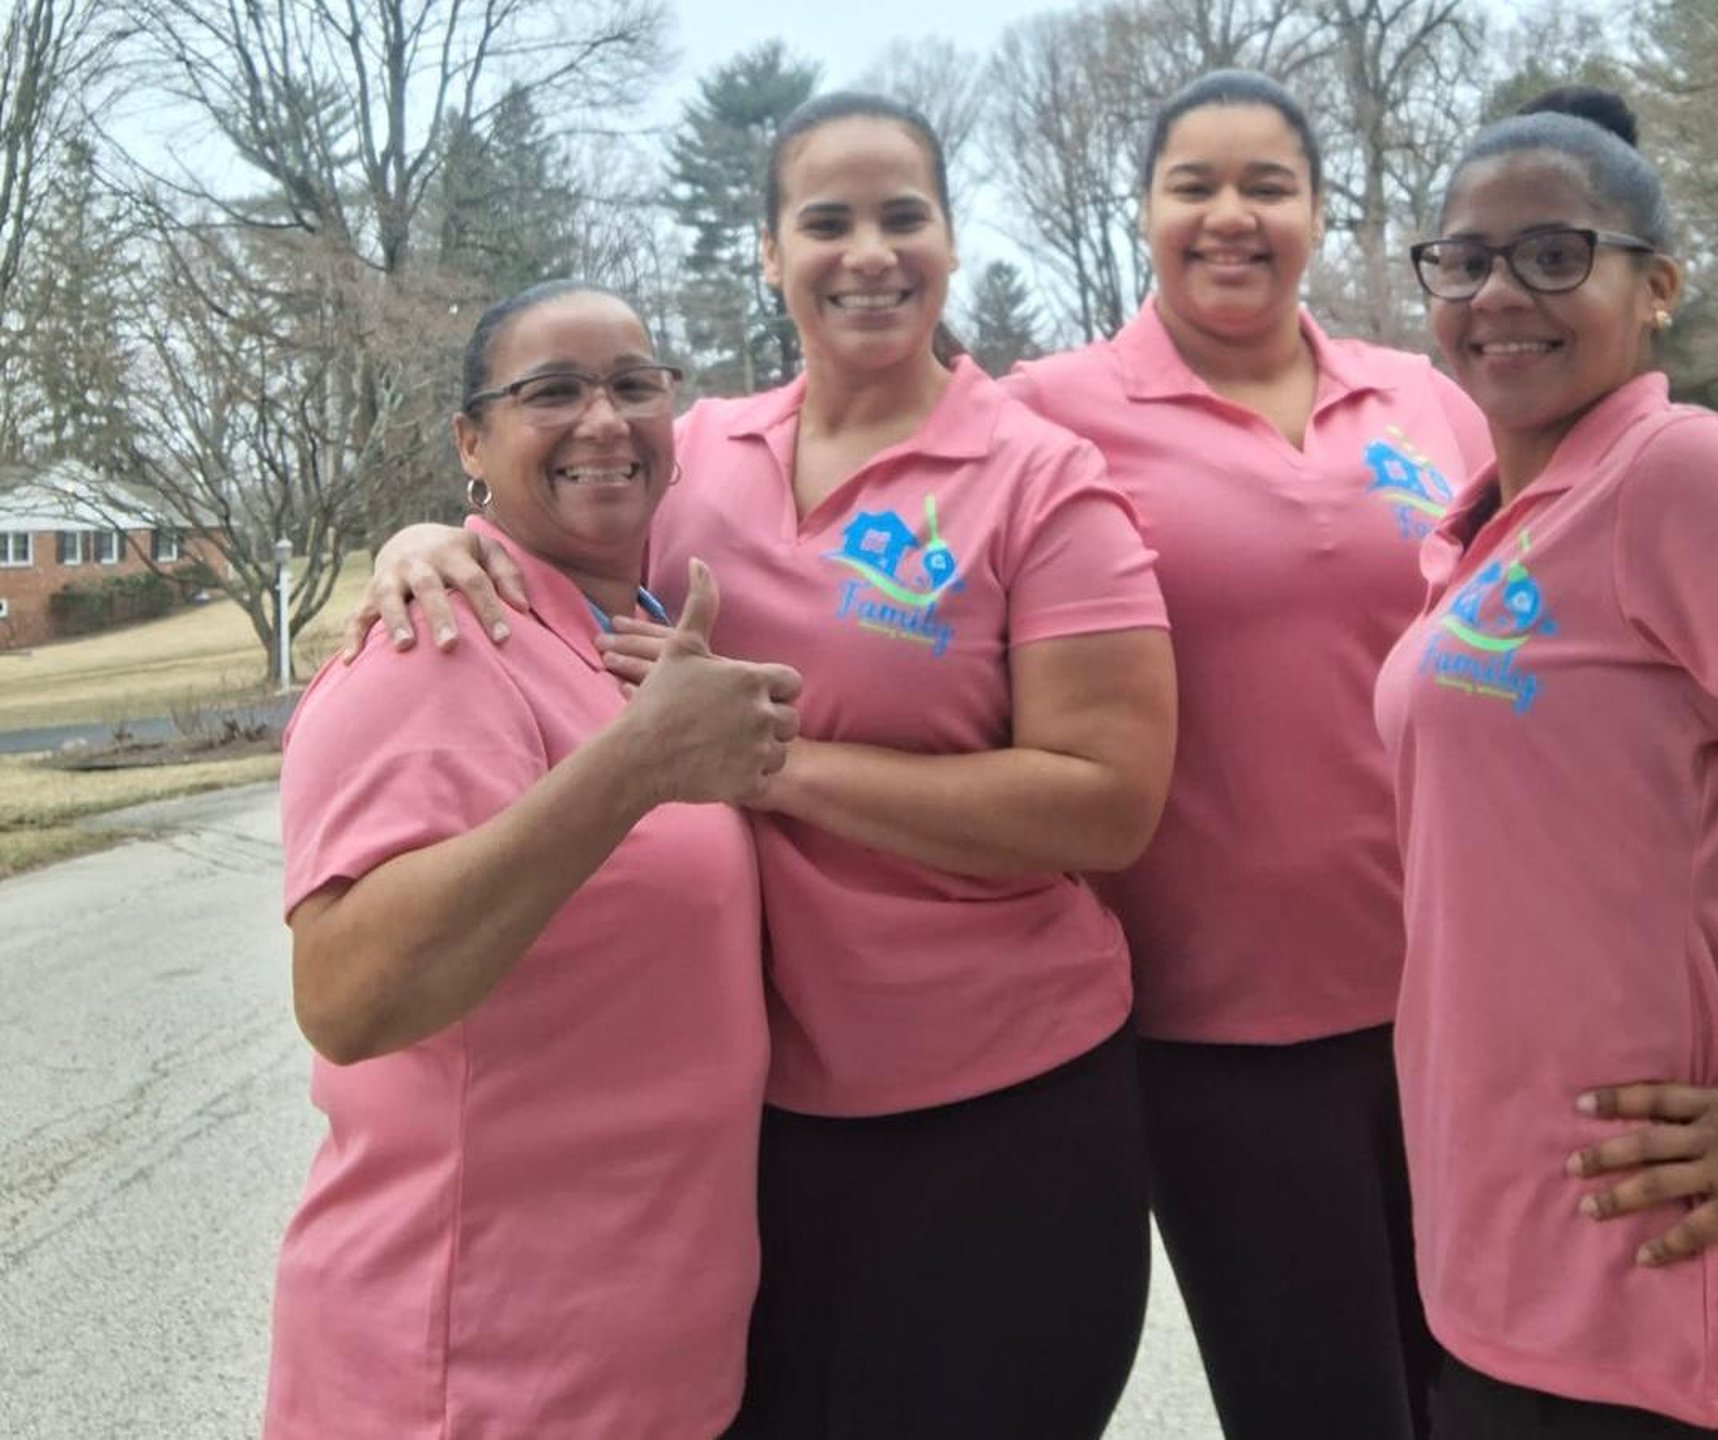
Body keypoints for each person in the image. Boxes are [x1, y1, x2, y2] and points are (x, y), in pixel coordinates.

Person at [345, 94, 1178, 1440]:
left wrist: (771, 766)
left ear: (952, 243)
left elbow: (1108, 801)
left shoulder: (1041, 481)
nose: (868, 253)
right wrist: (422, 540)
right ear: (769, 252)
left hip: (999, 1119)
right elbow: (558, 504)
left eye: (903, 216)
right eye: (826, 220)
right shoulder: (702, 453)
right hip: (756, 1138)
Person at [1375, 87, 1718, 1437]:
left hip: (1664, 1297)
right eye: (1466, 259)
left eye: (1556, 254)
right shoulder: (1498, 520)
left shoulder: (1684, 480)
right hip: (1511, 1260)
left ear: (1659, 285)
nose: (1502, 291)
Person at [999, 70, 1492, 1440]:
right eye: (1194, 186)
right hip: (1217, 1034)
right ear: (1144, 211)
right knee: (1322, 1403)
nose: (1231, 215)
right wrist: (473, 519)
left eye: (1267, 185)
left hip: (1470, 999)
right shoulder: (1045, 411)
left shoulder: (1426, 399)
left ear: (1320, 214)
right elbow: (807, 459)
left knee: (1497, 1388)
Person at [269, 280, 803, 1439]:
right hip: (473, 1374)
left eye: (633, 384)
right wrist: (636, 767)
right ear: (471, 440)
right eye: (550, 392)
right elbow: (349, 995)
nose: (603, 420)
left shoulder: (621, 631)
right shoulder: (440, 642)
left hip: (649, 1366)